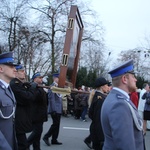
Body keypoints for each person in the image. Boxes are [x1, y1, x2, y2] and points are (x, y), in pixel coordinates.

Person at [101, 60, 145, 150]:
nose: (135, 79)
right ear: (124, 79)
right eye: (133, 76)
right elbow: (125, 146)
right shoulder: (119, 104)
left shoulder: (116, 98)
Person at [10, 64, 37, 150]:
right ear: (16, 73)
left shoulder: (20, 84)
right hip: (18, 118)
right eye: (22, 71)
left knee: (22, 143)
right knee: (22, 145)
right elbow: (28, 98)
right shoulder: (14, 84)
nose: (24, 73)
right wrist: (32, 88)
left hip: (22, 117)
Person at [0, 52, 18, 150]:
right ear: (1, 69)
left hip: (9, 140)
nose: (15, 69)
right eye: (11, 66)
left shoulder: (8, 88)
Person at [27, 72, 48, 150]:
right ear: (35, 79)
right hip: (36, 114)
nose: (41, 79)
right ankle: (26, 144)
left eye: (42, 77)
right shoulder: (34, 86)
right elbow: (35, 97)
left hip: (40, 114)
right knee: (37, 132)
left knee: (38, 134)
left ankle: (37, 148)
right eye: (40, 78)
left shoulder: (39, 87)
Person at [88, 77, 109, 150]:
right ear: (102, 87)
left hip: (96, 131)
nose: (108, 87)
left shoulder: (98, 96)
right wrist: (101, 138)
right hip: (98, 133)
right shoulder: (100, 99)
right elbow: (98, 119)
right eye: (106, 85)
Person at [43, 73, 63, 146]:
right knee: (55, 124)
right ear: (55, 78)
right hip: (54, 109)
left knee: (57, 125)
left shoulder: (59, 87)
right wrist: (53, 109)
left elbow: (60, 98)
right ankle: (46, 136)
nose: (60, 80)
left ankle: (54, 139)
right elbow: (51, 99)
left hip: (59, 108)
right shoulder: (52, 86)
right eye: (58, 78)